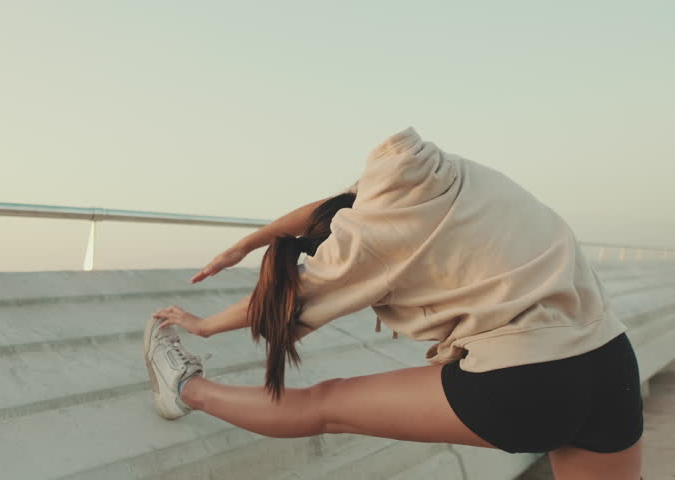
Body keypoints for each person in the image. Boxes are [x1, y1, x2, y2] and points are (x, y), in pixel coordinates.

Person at [144, 127, 644, 479]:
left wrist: (205, 326)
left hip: (524, 381)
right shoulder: (435, 174)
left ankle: (186, 388)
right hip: (609, 358)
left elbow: (283, 304)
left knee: (324, 405)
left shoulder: (369, 241)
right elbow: (329, 205)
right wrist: (248, 243)